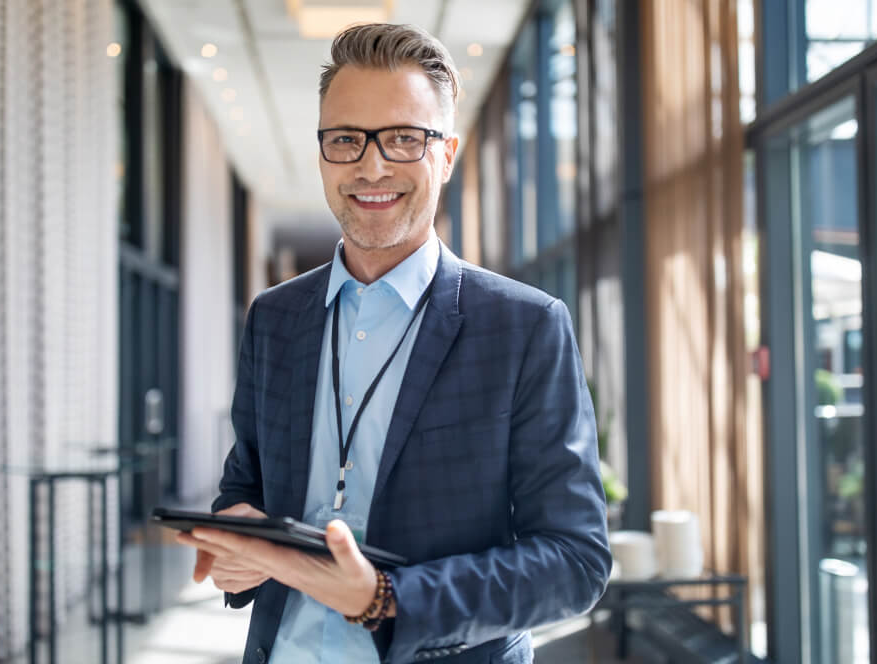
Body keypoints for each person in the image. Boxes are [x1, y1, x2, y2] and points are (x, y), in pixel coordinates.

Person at [175, 23, 611, 664]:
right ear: (323, 152)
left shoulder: (525, 326)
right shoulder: (275, 317)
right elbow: (248, 484)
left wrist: (387, 597)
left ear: (447, 153)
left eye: (405, 138)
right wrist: (240, 540)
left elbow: (575, 562)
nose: (371, 166)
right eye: (346, 139)